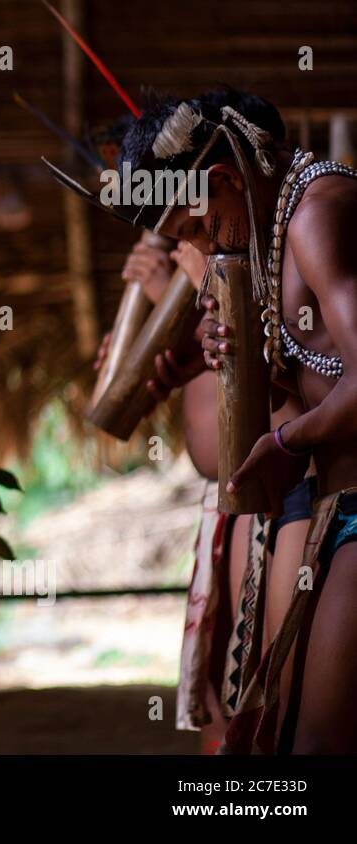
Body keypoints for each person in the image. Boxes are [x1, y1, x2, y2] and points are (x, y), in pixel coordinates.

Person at [106, 87, 357, 753]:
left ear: (220, 179)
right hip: (339, 510)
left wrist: (284, 441)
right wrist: (239, 364)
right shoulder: (274, 233)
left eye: (193, 228)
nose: (198, 248)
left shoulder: (317, 213)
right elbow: (321, 377)